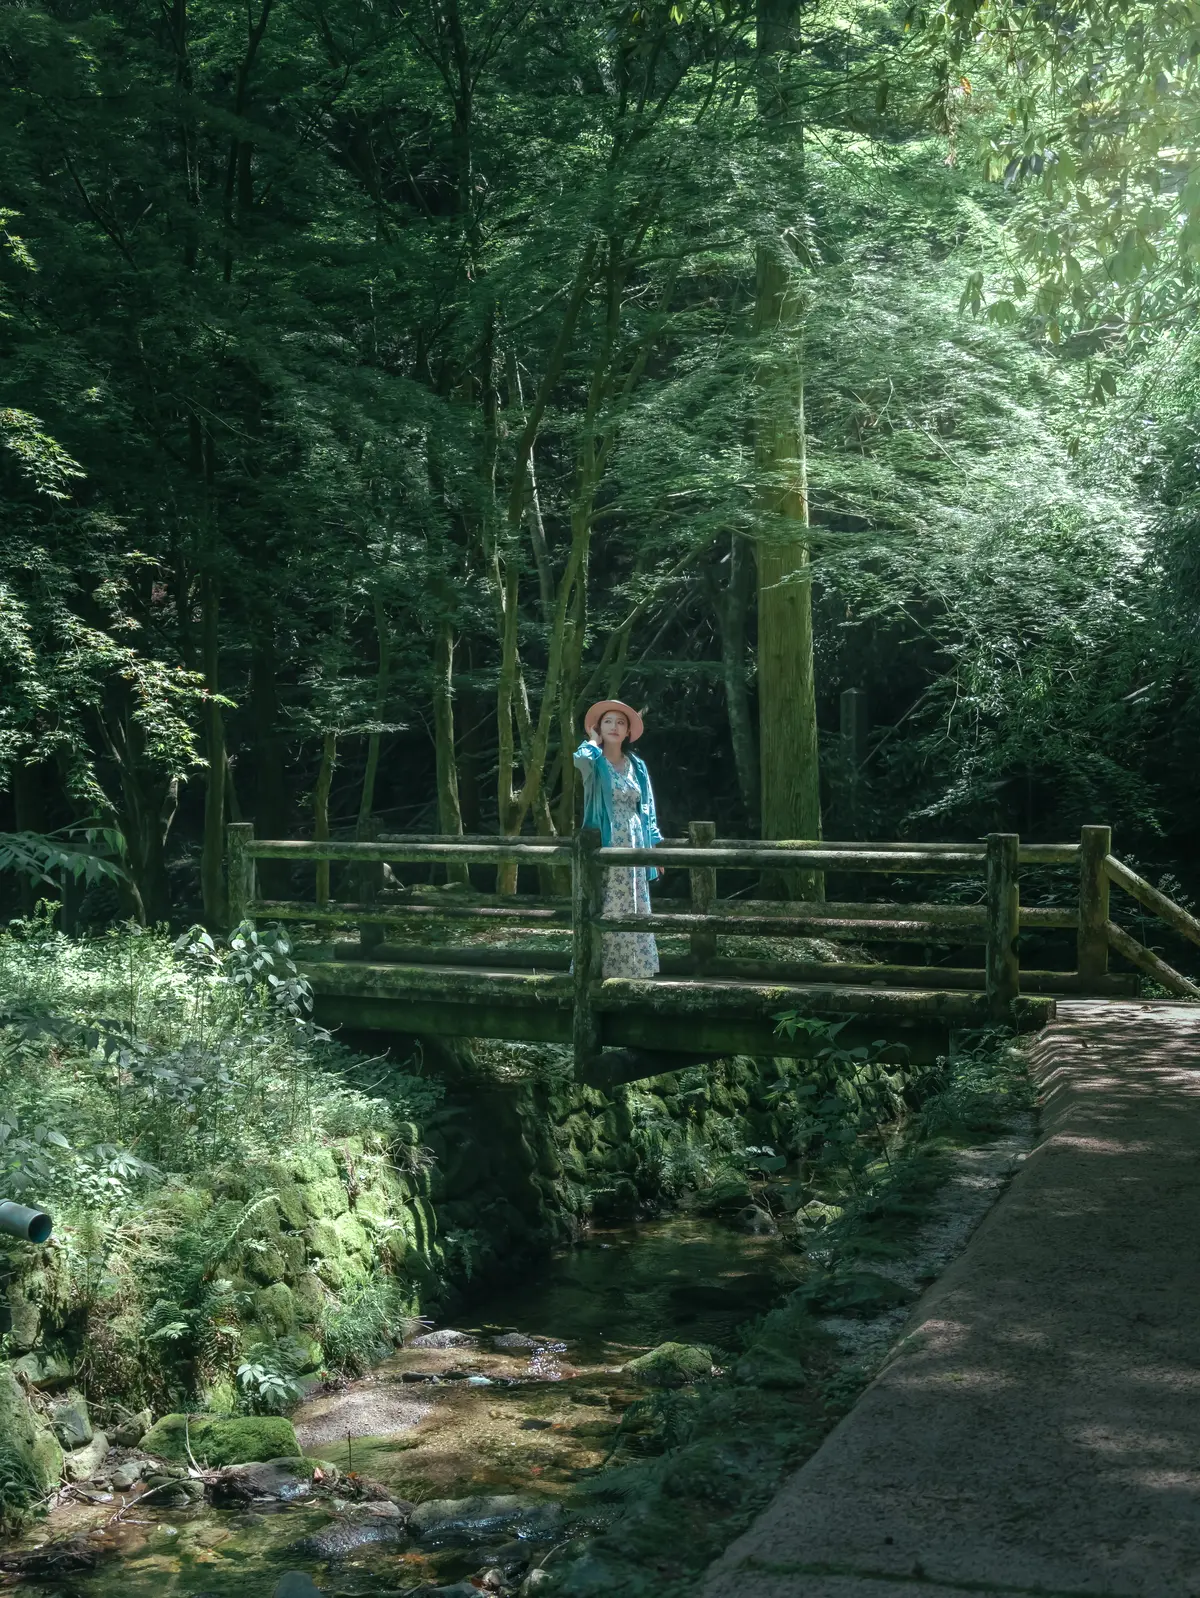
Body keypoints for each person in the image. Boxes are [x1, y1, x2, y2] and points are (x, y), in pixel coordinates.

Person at [573, 700, 663, 979]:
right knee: (604, 903)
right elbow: (580, 759)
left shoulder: (637, 765)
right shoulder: (594, 762)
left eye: (620, 723)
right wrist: (592, 740)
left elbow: (647, 809)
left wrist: (654, 849)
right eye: (608, 721)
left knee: (635, 903)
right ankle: (598, 967)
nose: (614, 727)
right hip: (604, 841)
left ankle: (635, 969)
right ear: (599, 727)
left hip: (636, 842)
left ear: (627, 733)